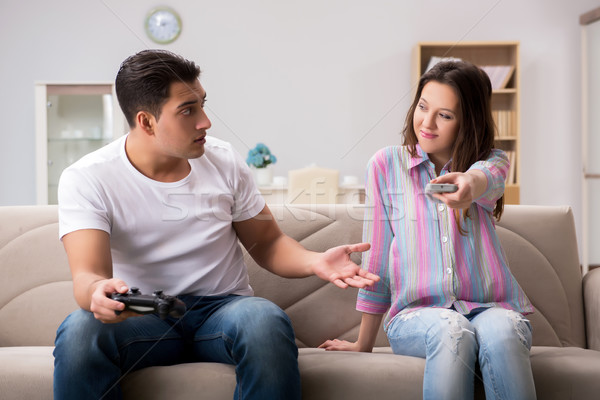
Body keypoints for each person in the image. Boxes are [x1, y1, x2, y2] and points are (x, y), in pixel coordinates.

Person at [53, 49, 379, 400]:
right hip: (144, 313)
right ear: (146, 122)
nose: (205, 121)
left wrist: (314, 260)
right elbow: (88, 275)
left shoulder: (224, 160)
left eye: (202, 104)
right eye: (187, 111)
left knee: (264, 321)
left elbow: (267, 243)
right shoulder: (88, 178)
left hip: (223, 310)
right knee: (79, 330)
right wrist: (97, 294)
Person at [319, 61, 536, 400]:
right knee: (454, 330)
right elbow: (377, 258)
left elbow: (486, 178)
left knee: (504, 330)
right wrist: (363, 343)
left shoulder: (490, 162)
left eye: (445, 115)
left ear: (467, 120)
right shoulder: (385, 165)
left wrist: (468, 183)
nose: (427, 123)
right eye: (423, 107)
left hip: (491, 307)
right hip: (416, 317)